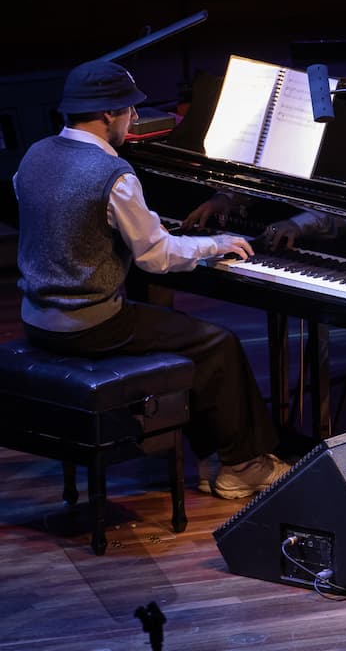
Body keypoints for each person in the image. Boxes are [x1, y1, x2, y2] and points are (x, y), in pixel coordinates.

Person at [13, 59, 289, 500]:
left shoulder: (35, 154)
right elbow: (156, 256)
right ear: (108, 114)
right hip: (88, 324)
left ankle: (210, 454)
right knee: (216, 343)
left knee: (176, 333)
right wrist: (215, 243)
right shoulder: (112, 174)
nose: (135, 119)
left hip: (36, 317)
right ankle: (241, 466)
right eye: (130, 110)